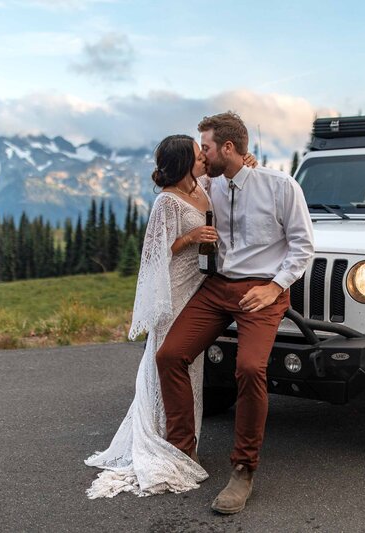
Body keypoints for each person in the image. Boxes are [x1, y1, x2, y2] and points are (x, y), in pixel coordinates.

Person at [155, 111, 314, 514]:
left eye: (205, 147)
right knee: (170, 355)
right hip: (217, 288)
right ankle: (181, 449)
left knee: (249, 368)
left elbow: (302, 247)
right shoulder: (209, 184)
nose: (202, 156)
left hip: (264, 291)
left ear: (228, 147)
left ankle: (243, 468)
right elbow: (173, 187)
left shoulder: (281, 186)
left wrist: (274, 287)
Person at [84, 134, 255, 498]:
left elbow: (228, 176)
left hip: (200, 289)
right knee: (170, 360)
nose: (203, 159)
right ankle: (166, 440)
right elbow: (155, 253)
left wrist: (248, 162)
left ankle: (184, 440)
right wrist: (191, 237)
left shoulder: (202, 185)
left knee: (193, 369)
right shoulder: (166, 202)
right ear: (182, 163)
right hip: (175, 290)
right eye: (197, 156)